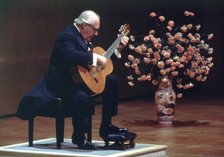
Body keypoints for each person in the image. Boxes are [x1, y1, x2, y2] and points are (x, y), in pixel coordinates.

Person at [16, 10, 129, 149]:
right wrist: (94, 58)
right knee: (81, 97)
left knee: (112, 81)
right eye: (95, 30)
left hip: (77, 81)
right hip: (61, 85)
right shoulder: (66, 36)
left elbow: (98, 65)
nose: (96, 34)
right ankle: (79, 137)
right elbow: (71, 55)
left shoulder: (83, 37)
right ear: (84, 25)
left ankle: (106, 127)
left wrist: (117, 50)